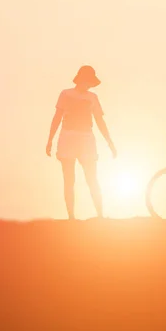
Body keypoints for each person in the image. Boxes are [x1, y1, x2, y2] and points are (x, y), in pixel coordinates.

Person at [45, 65, 117, 220]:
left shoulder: (92, 98)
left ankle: (100, 215)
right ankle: (71, 216)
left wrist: (109, 142)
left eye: (91, 82)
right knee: (69, 180)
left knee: (92, 178)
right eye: (88, 81)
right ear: (82, 79)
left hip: (86, 139)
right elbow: (57, 117)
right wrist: (50, 139)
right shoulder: (65, 94)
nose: (89, 85)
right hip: (67, 138)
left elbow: (99, 121)